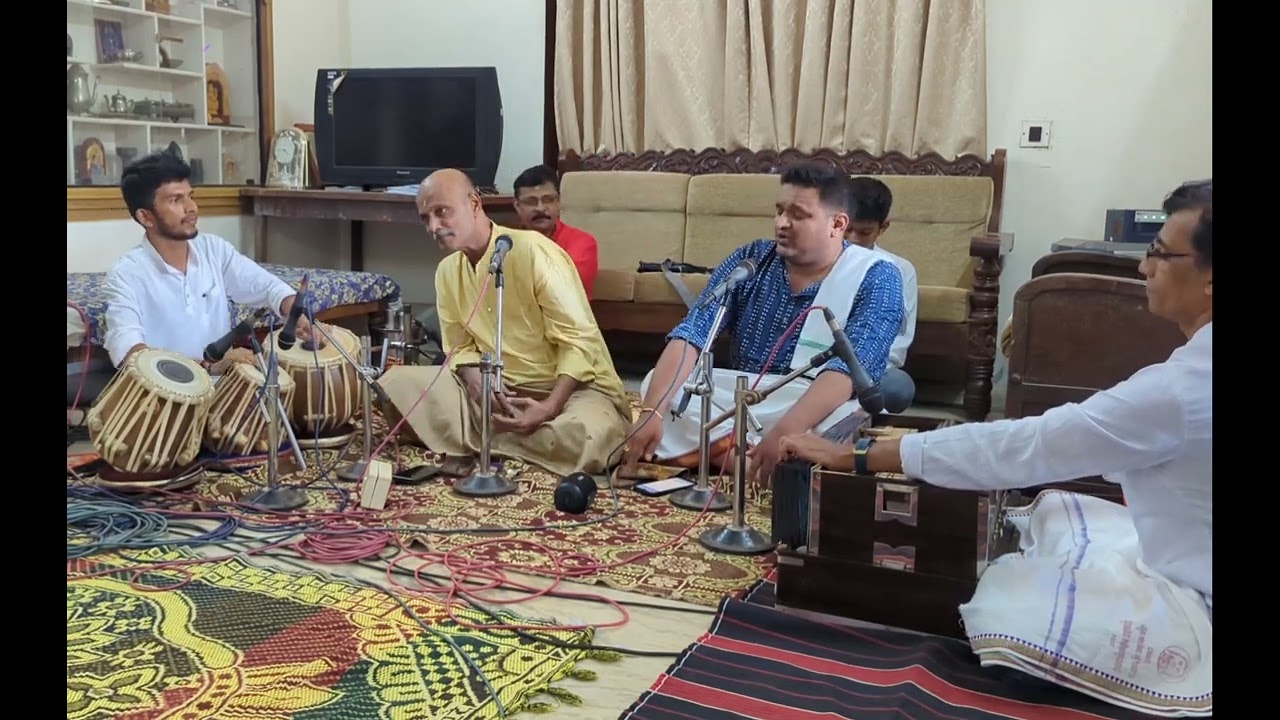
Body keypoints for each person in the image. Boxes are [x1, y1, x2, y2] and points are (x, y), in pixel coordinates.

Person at [780, 180, 1213, 711]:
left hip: (1199, 598)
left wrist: (862, 455)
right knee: (1058, 512)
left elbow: (1030, 446)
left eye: (1159, 253)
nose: (1144, 268)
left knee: (1003, 598)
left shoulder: (1183, 390)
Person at [623, 164, 905, 485]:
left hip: (813, 399)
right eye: (779, 210)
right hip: (743, 396)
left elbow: (851, 369)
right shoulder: (752, 259)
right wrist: (653, 411)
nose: (781, 222)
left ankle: (720, 452)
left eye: (797, 214)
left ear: (837, 224)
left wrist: (786, 430)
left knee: (845, 419)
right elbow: (693, 333)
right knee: (658, 386)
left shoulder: (878, 275)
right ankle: (751, 464)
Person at [377, 169, 630, 477]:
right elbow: (460, 346)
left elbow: (579, 342)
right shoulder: (446, 272)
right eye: (425, 218)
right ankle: (517, 439)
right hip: (495, 393)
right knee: (394, 385)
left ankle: (488, 438)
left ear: (473, 203)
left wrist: (548, 407)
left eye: (441, 212)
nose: (433, 226)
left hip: (568, 391)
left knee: (591, 436)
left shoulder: (533, 251)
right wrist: (476, 384)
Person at [103, 152, 310, 374]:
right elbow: (131, 352)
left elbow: (268, 287)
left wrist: (295, 312)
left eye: (190, 196)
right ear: (145, 217)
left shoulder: (214, 250)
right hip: (166, 398)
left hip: (223, 389)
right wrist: (207, 368)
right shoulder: (126, 275)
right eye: (175, 200)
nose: (191, 207)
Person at [845, 177, 919, 410]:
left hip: (871, 369)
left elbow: (898, 342)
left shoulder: (899, 270)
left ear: (883, 227)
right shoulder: (817, 260)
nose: (853, 240)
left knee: (897, 388)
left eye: (864, 232)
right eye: (847, 230)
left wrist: (855, 372)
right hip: (813, 365)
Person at [512, 164, 599, 299]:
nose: (540, 208)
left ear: (558, 202)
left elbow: (564, 289)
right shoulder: (506, 243)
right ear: (517, 206)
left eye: (548, 200)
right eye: (531, 201)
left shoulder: (582, 242)